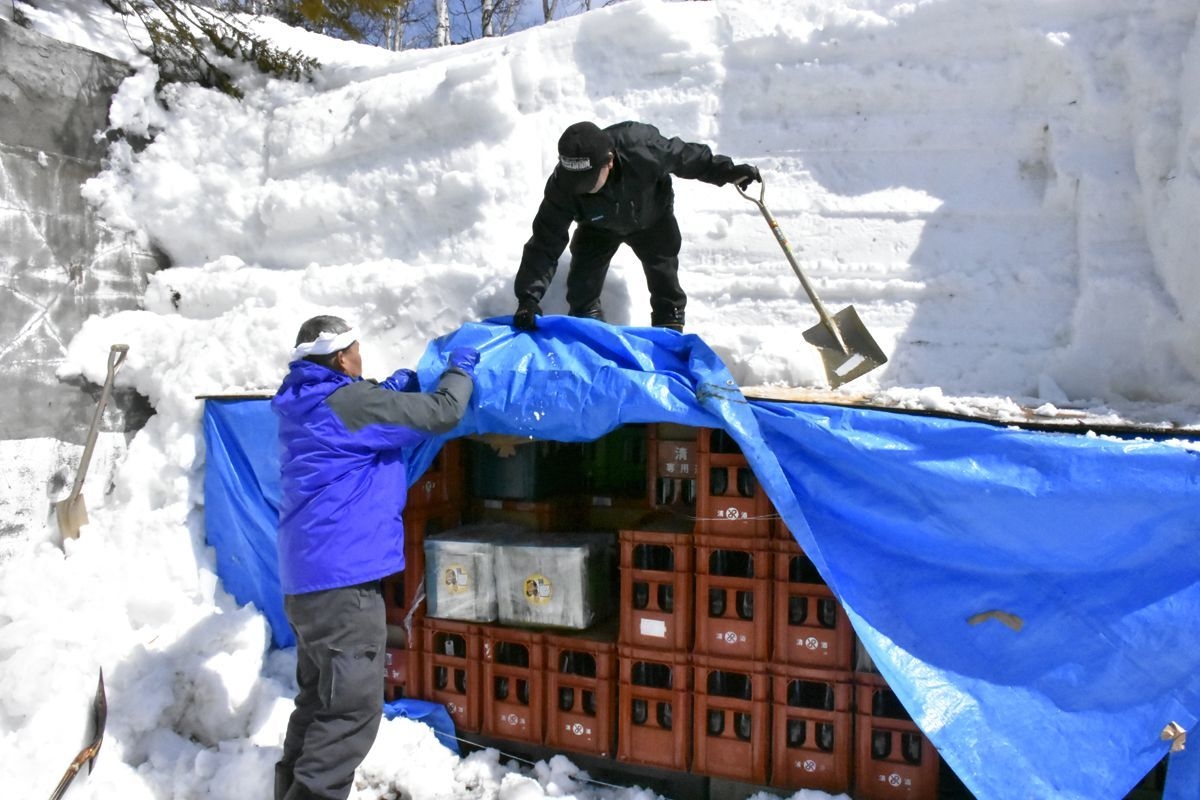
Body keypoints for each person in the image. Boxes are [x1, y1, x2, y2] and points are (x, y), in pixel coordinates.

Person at [270, 315, 478, 800]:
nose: (361, 358)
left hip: (305, 584)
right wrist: (460, 369)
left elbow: (355, 420)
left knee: (317, 704)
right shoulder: (352, 403)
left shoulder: (302, 402)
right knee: (350, 715)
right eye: (357, 351)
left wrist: (386, 390)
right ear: (343, 358)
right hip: (344, 587)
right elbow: (443, 411)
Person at [512, 120, 761, 332]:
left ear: (608, 161)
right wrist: (528, 298)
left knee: (665, 280)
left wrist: (728, 172)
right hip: (597, 228)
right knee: (581, 288)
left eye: (587, 181)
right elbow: (546, 239)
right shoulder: (562, 186)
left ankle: (669, 332)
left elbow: (688, 158)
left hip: (652, 217)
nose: (581, 188)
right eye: (575, 182)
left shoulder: (642, 147)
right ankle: (592, 337)